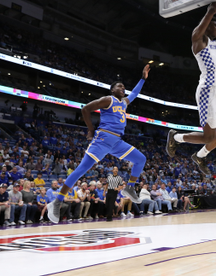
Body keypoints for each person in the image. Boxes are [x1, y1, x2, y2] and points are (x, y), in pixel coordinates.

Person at [47, 65, 151, 223]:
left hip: (117, 141)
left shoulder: (123, 103)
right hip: (103, 139)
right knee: (81, 170)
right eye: (119, 86)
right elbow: (86, 109)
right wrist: (90, 130)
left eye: (124, 86)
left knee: (140, 159)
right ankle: (57, 201)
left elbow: (135, 93)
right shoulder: (107, 100)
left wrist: (143, 78)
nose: (123, 88)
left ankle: (130, 187)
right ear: (112, 90)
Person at [166, 2, 216, 174]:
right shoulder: (198, 41)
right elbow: (199, 30)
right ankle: (176, 137)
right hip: (208, 90)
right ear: (207, 25)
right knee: (209, 136)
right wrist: (211, 11)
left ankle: (200, 155)